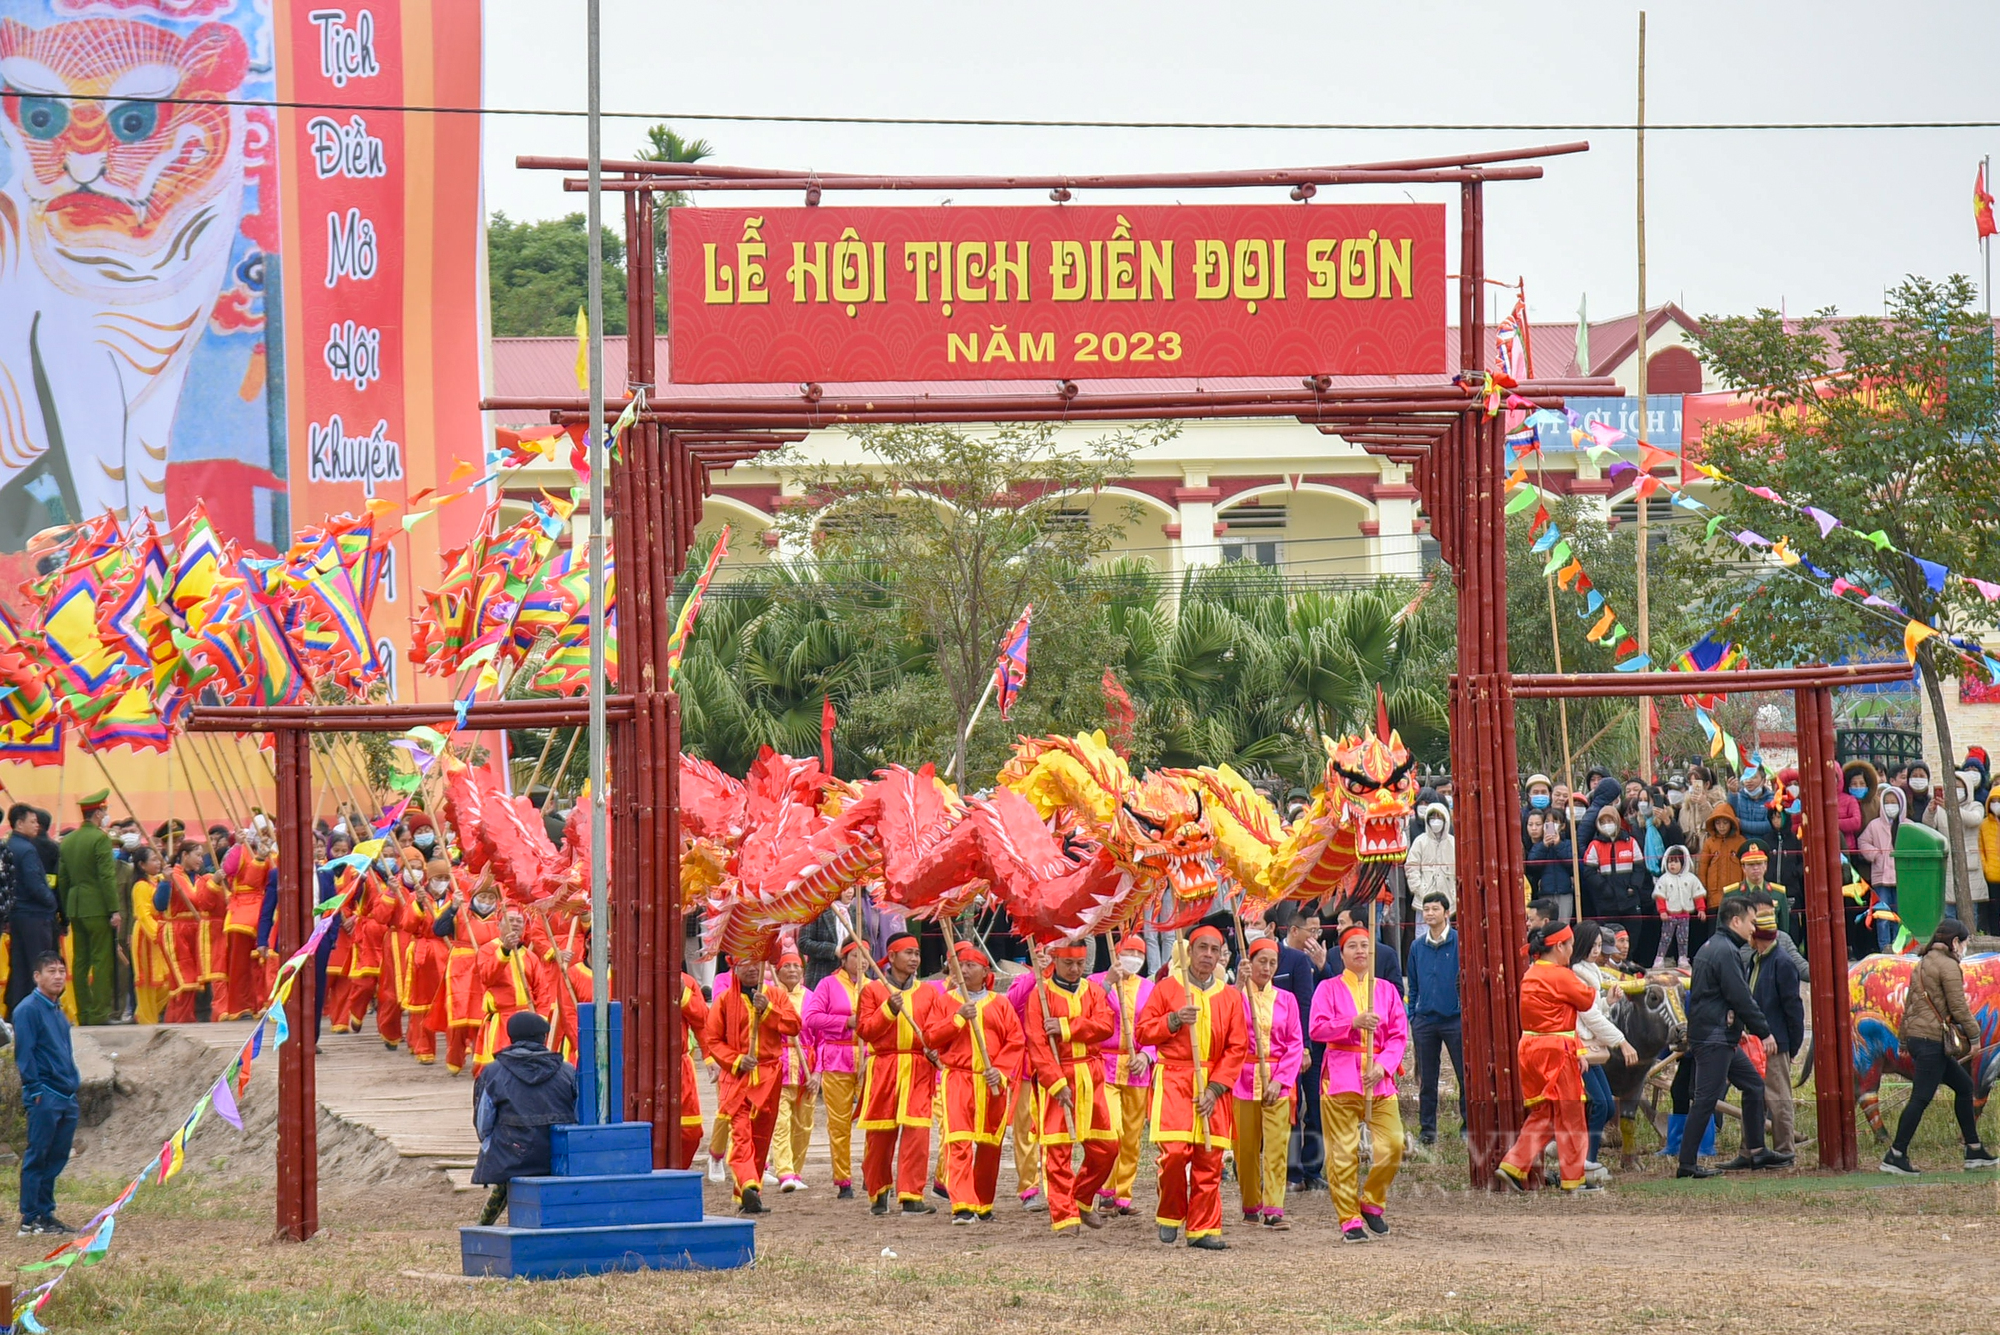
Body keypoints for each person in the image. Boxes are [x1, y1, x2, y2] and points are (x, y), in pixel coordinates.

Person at [1136, 924, 1248, 1250]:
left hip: (1213, 1085)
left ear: (1221, 956)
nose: (1208, 955)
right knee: (1173, 1154)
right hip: (1174, 1077)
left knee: (1209, 1159)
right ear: (1191, 951)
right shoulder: (1168, 989)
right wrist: (1172, 1021)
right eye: (1203, 948)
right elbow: (1143, 1032)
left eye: (1215, 950)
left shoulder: (1229, 997)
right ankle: (1170, 1213)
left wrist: (1215, 1090)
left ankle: (1203, 1228)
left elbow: (1237, 1047)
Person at [1310, 923, 1409, 1239]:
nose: (1361, 951)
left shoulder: (1386, 990)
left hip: (1378, 1077)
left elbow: (1398, 1035)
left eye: (1365, 945)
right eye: (1353, 946)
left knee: (1393, 1143)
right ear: (1341, 953)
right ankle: (1349, 1218)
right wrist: (1352, 1023)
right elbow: (1317, 1029)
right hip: (1340, 1074)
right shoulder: (1328, 988)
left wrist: (1384, 1065)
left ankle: (1372, 1200)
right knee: (1342, 1152)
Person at [1679, 894, 1784, 1179]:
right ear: (1735, 920)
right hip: (1715, 1037)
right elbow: (1740, 996)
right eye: (1751, 922)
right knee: (1705, 1100)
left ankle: (1757, 1151)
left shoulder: (1714, 946)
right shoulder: (1725, 952)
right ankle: (1686, 1164)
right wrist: (1764, 1032)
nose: (1754, 929)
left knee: (1753, 1085)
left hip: (1717, 1035)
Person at [1881, 920, 1997, 1173]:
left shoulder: (1922, 964)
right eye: (1965, 943)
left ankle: (1974, 1149)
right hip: (1932, 1041)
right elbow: (1958, 1007)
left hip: (1919, 1037)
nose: (1965, 948)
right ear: (1955, 942)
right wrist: (1976, 1038)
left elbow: (1910, 1006)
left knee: (1965, 1087)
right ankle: (1895, 1154)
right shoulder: (1948, 967)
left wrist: (1903, 1040)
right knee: (1921, 1098)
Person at [922, 942, 1023, 1224]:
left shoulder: (1000, 1003)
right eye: (961, 965)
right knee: (959, 1141)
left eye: (971, 966)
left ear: (985, 970)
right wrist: (957, 1019)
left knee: (990, 1145)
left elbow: (1015, 1041)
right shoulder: (945, 1002)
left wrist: (1001, 1071)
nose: (965, 971)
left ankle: (982, 1202)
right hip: (959, 1079)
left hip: (992, 1083)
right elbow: (930, 1037)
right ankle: (963, 1205)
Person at [1022, 939, 1118, 1234]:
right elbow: (1038, 1046)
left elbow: (1105, 1026)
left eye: (1080, 963)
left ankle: (1082, 1196)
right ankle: (1064, 1216)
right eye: (1068, 964)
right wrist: (1056, 1083)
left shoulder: (1093, 991)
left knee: (1107, 1147)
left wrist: (1065, 1026)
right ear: (1054, 960)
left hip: (1091, 1076)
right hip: (1059, 1078)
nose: (1075, 969)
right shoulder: (1039, 996)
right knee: (1057, 1152)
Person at [1494, 924, 1598, 1194]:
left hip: (1530, 1047)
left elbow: (1560, 1014)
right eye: (1571, 945)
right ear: (1560, 946)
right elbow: (1586, 1000)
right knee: (1572, 1115)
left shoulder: (1531, 973)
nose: (1573, 951)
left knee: (1546, 1112)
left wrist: (1579, 1049)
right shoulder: (1561, 976)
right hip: (1556, 1052)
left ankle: (1513, 1165)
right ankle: (1573, 1180)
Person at [705, 948, 802, 1214]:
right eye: (744, 964)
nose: (750, 968)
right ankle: (749, 1183)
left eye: (755, 963)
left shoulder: (776, 995)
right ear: (734, 967)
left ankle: (746, 1192)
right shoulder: (724, 1000)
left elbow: (794, 1026)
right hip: (737, 1078)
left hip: (769, 1076)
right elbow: (712, 1040)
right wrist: (736, 1060)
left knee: (761, 1136)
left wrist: (769, 1010)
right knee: (741, 1132)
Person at [856, 933, 944, 1215]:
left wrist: (934, 1049)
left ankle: (911, 1196)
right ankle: (878, 1191)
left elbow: (934, 1030)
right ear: (891, 957)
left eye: (917, 954)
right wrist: (888, 1010)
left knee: (918, 1132)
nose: (915, 959)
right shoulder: (872, 991)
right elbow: (865, 1030)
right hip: (885, 1067)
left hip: (919, 1068)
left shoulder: (929, 992)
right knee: (880, 1135)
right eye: (908, 953)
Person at [471, 1010, 579, 1226]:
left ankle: (484, 1225)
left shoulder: (492, 1073)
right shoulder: (568, 1071)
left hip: (510, 1157)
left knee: (499, 1145)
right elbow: (578, 1116)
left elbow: (483, 1125)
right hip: (558, 1158)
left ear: (511, 1038)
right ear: (543, 1038)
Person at [1231, 936, 1303, 1229]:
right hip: (1242, 1078)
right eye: (1262, 961)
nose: (1268, 967)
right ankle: (1251, 1203)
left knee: (1276, 1147)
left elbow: (1295, 1043)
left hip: (1278, 1080)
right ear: (1250, 962)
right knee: (1245, 1149)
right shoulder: (1236, 996)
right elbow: (1224, 1024)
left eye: (1273, 963)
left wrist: (1281, 1079)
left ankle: (1274, 1209)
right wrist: (1237, 986)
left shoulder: (1287, 1000)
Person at [1089, 934, 1153, 1216]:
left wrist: (1147, 1054)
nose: (1134, 958)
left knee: (1131, 1135)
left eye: (1139, 954)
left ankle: (1122, 1194)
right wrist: (1106, 985)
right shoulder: (1095, 982)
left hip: (1137, 1068)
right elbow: (1086, 1012)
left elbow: (1156, 1026)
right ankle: (1104, 1188)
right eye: (1129, 952)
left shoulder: (1150, 988)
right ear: (1116, 951)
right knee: (1111, 1130)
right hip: (1105, 1064)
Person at [802, 937, 869, 1198]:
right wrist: (847, 1021)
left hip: (867, 1058)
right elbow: (811, 1018)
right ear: (844, 959)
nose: (861, 962)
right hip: (836, 1055)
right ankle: (843, 1179)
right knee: (839, 1122)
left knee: (873, 1120)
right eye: (856, 956)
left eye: (866, 956)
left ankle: (872, 1172)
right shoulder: (827, 984)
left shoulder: (874, 986)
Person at [1570, 921, 1637, 1176]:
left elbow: (1594, 1009)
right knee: (1601, 1104)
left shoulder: (1590, 970)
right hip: (1581, 1046)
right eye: (1593, 944)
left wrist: (1607, 1001)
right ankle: (1587, 1159)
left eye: (1599, 945)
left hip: (1590, 1044)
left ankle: (1587, 1158)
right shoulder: (1578, 972)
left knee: (1606, 1105)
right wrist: (1621, 1041)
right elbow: (1590, 1016)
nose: (1597, 950)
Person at [1272, 904, 1331, 1192]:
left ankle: (1312, 1169)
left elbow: (1325, 994)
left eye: (1319, 930)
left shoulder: (1319, 957)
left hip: (1315, 1046)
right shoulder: (1279, 957)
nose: (1316, 936)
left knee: (1316, 1109)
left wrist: (1322, 966)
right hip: (1284, 1048)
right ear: (1294, 930)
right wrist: (1300, 1047)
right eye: (1312, 930)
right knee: (1291, 1108)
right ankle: (1291, 1170)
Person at [54, 791, 119, 1027]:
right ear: (98, 813)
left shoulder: (69, 840)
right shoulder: (100, 839)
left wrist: (66, 908)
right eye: (105, 811)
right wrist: (114, 908)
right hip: (98, 906)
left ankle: (84, 1013)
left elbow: (63, 879)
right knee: (101, 960)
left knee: (80, 961)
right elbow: (106, 876)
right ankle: (100, 1013)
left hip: (75, 905)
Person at [431, 873, 506, 1074]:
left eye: (491, 898)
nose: (486, 902)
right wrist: (453, 907)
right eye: (482, 898)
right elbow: (438, 930)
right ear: (473, 898)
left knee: (482, 1014)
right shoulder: (461, 913)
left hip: (488, 967)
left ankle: (480, 1059)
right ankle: (454, 1057)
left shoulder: (500, 918)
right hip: (461, 970)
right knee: (459, 1015)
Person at [1406, 892, 1464, 1146]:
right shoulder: (1417, 946)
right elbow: (1413, 984)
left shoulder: (1459, 942)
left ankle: (1468, 1125)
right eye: (1426, 909)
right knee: (1427, 1079)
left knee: (1464, 1075)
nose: (1429, 913)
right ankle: (1427, 1129)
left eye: (1434, 909)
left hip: (1454, 1019)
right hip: (1425, 1020)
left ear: (1446, 912)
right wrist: (1413, 1016)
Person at [1747, 907, 1804, 1162]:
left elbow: (1794, 1008)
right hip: (1756, 1042)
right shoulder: (1757, 959)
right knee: (1756, 1095)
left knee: (1778, 1098)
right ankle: (1754, 1149)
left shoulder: (1781, 962)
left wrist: (1792, 1044)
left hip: (1774, 1042)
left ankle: (1785, 1151)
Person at [474, 906, 561, 1071]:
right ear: (499, 925)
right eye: (510, 920)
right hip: (502, 1020)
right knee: (500, 1067)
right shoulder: (488, 950)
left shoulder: (530, 956)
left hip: (528, 1017)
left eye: (519, 921)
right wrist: (504, 951)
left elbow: (542, 990)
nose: (515, 924)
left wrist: (540, 1018)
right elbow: (487, 977)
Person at [767, 947, 816, 1193]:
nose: (792, 970)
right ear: (778, 971)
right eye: (787, 966)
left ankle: (796, 1171)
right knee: (781, 1122)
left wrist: (818, 1073)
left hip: (808, 1067)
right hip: (779, 1066)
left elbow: (821, 1036)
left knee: (804, 1125)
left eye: (797, 966)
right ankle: (784, 1171)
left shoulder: (812, 998)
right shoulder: (771, 996)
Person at [6, 805, 61, 1014]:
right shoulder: (27, 849)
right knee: (38, 965)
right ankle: (39, 1011)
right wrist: (51, 902)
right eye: (32, 821)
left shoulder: (9, 845)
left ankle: (15, 1012)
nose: (36, 825)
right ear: (20, 823)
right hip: (34, 915)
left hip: (17, 914)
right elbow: (35, 883)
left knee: (20, 968)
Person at [127, 847, 172, 1025]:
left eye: (157, 859)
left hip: (159, 931)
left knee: (166, 980)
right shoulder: (140, 886)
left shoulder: (158, 881)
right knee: (147, 981)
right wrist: (157, 934)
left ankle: (143, 1014)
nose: (157, 862)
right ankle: (147, 1020)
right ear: (142, 865)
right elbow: (143, 914)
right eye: (153, 860)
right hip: (147, 935)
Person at [1859, 785, 1905, 952]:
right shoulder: (1874, 825)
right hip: (1881, 878)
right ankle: (1884, 948)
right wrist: (1876, 855)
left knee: (1900, 916)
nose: (1890, 806)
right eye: (1887, 802)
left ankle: (1899, 947)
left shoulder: (1908, 825)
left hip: (1902, 880)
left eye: (1894, 802)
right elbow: (1862, 842)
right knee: (1883, 917)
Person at [1651, 845, 1703, 969]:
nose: (1672, 865)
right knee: (1665, 938)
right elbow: (1660, 896)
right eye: (1670, 862)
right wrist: (1662, 911)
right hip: (1669, 916)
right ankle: (1659, 958)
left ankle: (1683, 957)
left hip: (1684, 915)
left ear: (1683, 862)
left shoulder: (1691, 879)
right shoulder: (1664, 879)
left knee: (1683, 938)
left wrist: (1701, 909)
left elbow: (1698, 894)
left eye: (1675, 862)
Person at [1405, 803, 1456, 914]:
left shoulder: (1453, 843)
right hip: (1422, 901)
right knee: (1423, 930)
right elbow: (1411, 867)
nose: (1436, 821)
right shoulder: (1420, 841)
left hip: (1448, 901)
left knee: (1445, 930)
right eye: (1432, 817)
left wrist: (1454, 892)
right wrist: (1418, 889)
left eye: (1439, 817)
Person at [1528, 820, 1575, 921]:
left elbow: (1573, 863)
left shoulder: (1568, 844)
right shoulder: (1539, 846)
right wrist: (1544, 846)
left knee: (1563, 924)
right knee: (1546, 924)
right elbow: (1532, 864)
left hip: (1564, 891)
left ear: (1562, 826)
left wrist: (1558, 845)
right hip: (1545, 891)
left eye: (1555, 823)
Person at [1980, 788, 2000, 936]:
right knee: (1993, 911)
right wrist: (1986, 868)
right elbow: (1980, 849)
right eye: (1993, 801)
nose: (1996, 804)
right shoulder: (1984, 825)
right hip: (1991, 877)